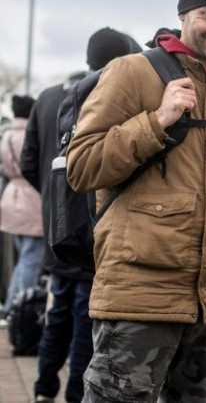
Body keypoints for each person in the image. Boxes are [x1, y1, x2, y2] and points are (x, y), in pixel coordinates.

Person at [66, 0, 206, 402]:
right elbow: (82, 167)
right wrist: (157, 120)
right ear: (184, 15)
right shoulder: (132, 72)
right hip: (137, 299)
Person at [19, 27, 141, 403]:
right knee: (83, 320)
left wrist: (53, 200)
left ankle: (42, 389)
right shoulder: (112, 94)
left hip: (56, 225)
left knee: (58, 312)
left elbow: (28, 162)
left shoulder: (48, 97)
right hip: (94, 225)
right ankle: (74, 394)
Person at [0, 95, 42, 324]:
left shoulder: (6, 136)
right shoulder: (30, 134)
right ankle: (19, 309)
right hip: (31, 199)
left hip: (11, 198)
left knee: (21, 259)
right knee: (30, 260)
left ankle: (10, 305)